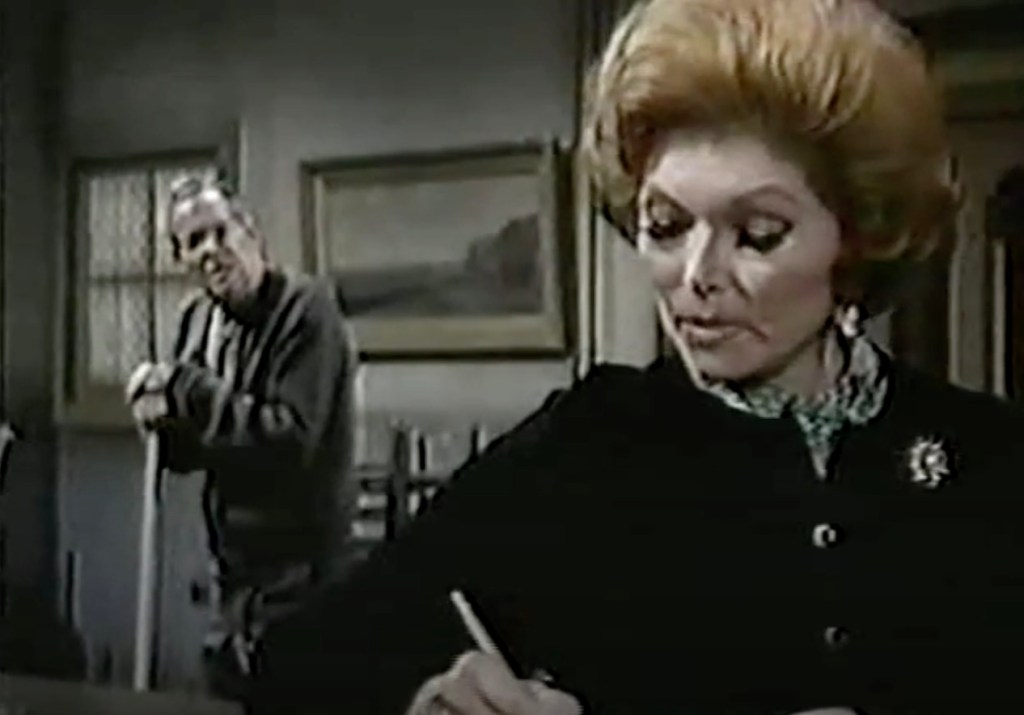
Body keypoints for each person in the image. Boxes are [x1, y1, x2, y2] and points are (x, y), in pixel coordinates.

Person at [248, 0, 1024, 713]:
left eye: (758, 234)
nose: (697, 275)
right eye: (666, 226)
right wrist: (424, 699)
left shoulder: (989, 455)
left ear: (854, 235)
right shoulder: (586, 444)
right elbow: (296, 666)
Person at [124, 177, 357, 701]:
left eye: (219, 232)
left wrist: (188, 389)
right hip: (232, 579)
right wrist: (159, 420)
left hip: (303, 577)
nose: (210, 251)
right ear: (181, 258)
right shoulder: (198, 320)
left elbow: (288, 441)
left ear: (249, 230)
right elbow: (196, 446)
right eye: (193, 242)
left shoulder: (307, 311)